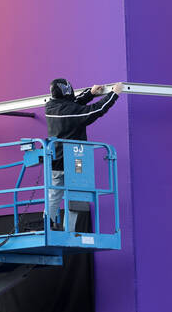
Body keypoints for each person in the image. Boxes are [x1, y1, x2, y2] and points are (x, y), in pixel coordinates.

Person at [44, 79, 122, 229]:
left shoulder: (50, 106)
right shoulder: (69, 111)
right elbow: (95, 110)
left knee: (53, 195)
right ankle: (68, 231)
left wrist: (90, 93)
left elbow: (74, 103)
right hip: (75, 160)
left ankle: (47, 226)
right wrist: (114, 94)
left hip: (55, 161)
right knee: (76, 195)